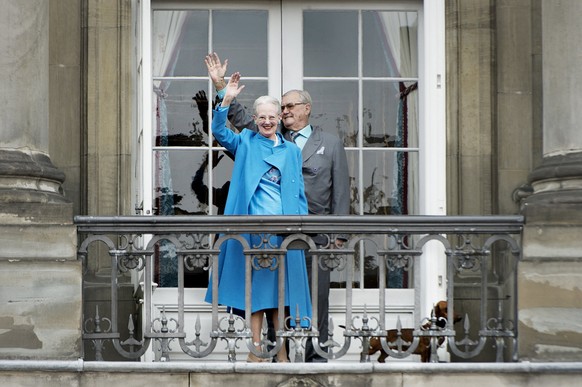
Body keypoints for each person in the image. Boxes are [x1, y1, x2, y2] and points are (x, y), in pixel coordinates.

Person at [205, 53, 350, 363]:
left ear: (305, 110)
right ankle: (266, 352)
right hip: (265, 230)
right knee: (265, 294)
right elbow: (228, 126)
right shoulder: (253, 139)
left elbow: (330, 191)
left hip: (304, 231)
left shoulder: (309, 146)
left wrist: (332, 232)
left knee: (303, 298)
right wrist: (222, 90)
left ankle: (308, 356)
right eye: (273, 112)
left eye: (286, 109)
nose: (278, 116)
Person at [203, 72, 312, 363]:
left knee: (280, 295)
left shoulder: (290, 151)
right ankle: (255, 350)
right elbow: (219, 131)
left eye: (272, 117)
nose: (267, 121)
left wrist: (301, 226)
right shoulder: (246, 141)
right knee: (255, 293)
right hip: (251, 229)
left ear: (279, 118)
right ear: (255, 118)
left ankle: (282, 353)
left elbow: (298, 190)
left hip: (282, 230)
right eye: (261, 117)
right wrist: (224, 98)